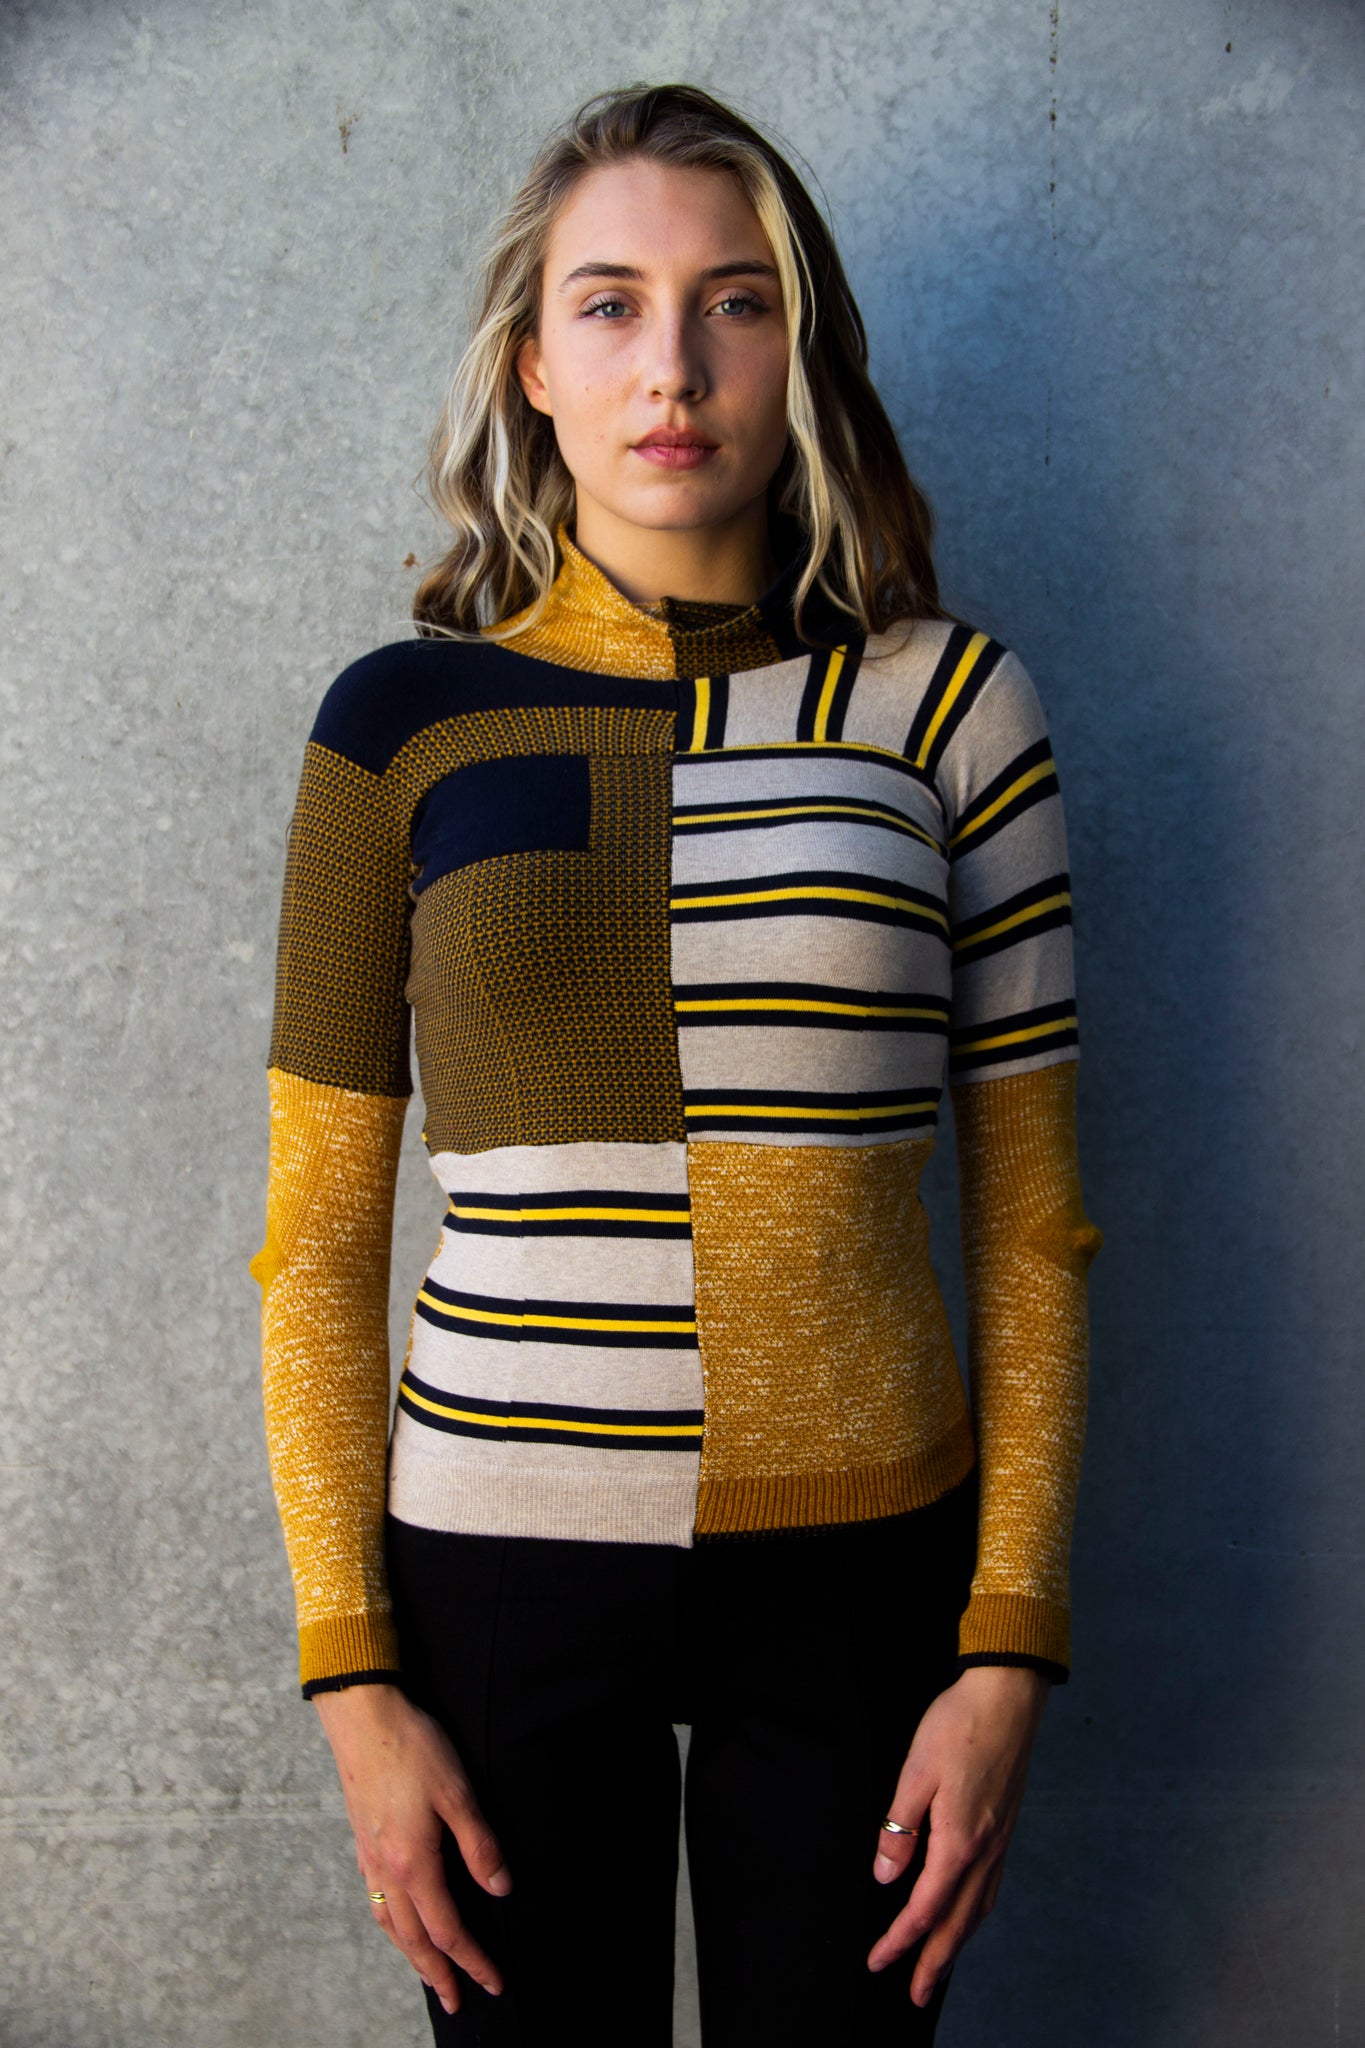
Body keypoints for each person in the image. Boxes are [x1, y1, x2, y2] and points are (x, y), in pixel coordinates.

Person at [249, 80, 1102, 2047]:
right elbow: (316, 1239)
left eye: (734, 301)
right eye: (611, 304)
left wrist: (1006, 1652)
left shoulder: (949, 709)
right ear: (532, 368)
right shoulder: (401, 724)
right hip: (495, 1567)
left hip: (864, 1567)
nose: (674, 366)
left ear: (800, 351)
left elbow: (1034, 1224)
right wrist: (353, 1681)